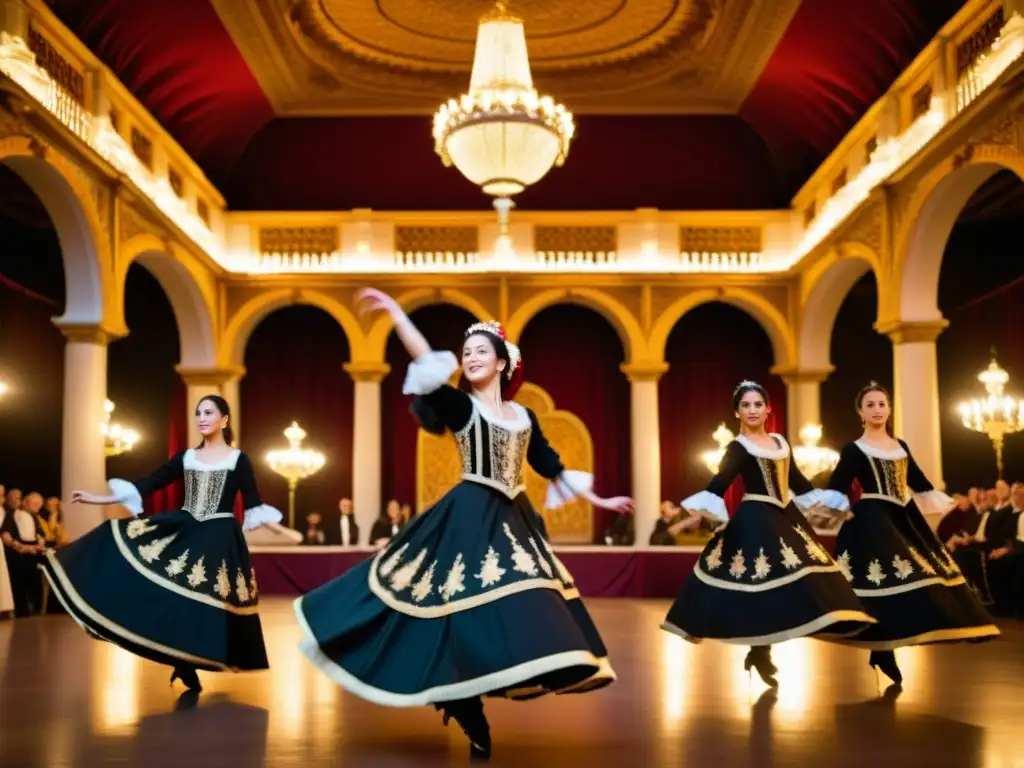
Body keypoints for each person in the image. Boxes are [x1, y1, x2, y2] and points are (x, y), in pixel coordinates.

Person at [296, 289, 634, 760]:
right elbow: (422, 355)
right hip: (469, 512)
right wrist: (396, 313)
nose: (471, 358)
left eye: (481, 352)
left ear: (502, 363)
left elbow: (550, 465)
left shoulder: (524, 417)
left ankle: (520, 671)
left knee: (530, 598)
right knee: (454, 603)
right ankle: (461, 699)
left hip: (513, 518)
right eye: (466, 353)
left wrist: (601, 497)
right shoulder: (459, 406)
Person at [42, 395, 280, 696]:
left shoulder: (238, 459)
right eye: (197, 413)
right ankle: (182, 661)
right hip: (186, 527)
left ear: (224, 420)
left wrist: (279, 526)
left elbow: (253, 501)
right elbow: (150, 482)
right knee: (175, 594)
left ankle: (189, 659)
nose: (202, 418)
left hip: (220, 534)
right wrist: (101, 498)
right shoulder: (186, 457)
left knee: (206, 600)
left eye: (209, 412)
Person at [663, 381, 874, 687]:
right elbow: (721, 481)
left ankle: (762, 650)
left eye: (757, 405)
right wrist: (700, 511)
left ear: (768, 409)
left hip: (785, 515)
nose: (752, 410)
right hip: (757, 518)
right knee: (760, 583)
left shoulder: (780, 443)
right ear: (737, 411)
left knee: (799, 577)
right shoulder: (738, 447)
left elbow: (799, 483)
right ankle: (760, 652)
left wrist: (831, 504)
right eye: (746, 405)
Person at [816, 382, 999, 685]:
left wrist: (943, 501)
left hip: (904, 517)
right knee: (883, 583)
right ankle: (882, 648)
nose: (877, 409)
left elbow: (917, 480)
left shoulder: (900, 446)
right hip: (872, 519)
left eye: (881, 404)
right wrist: (825, 512)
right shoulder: (854, 449)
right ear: (860, 412)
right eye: (870, 405)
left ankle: (901, 641)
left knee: (922, 578)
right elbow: (838, 485)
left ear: (889, 409)